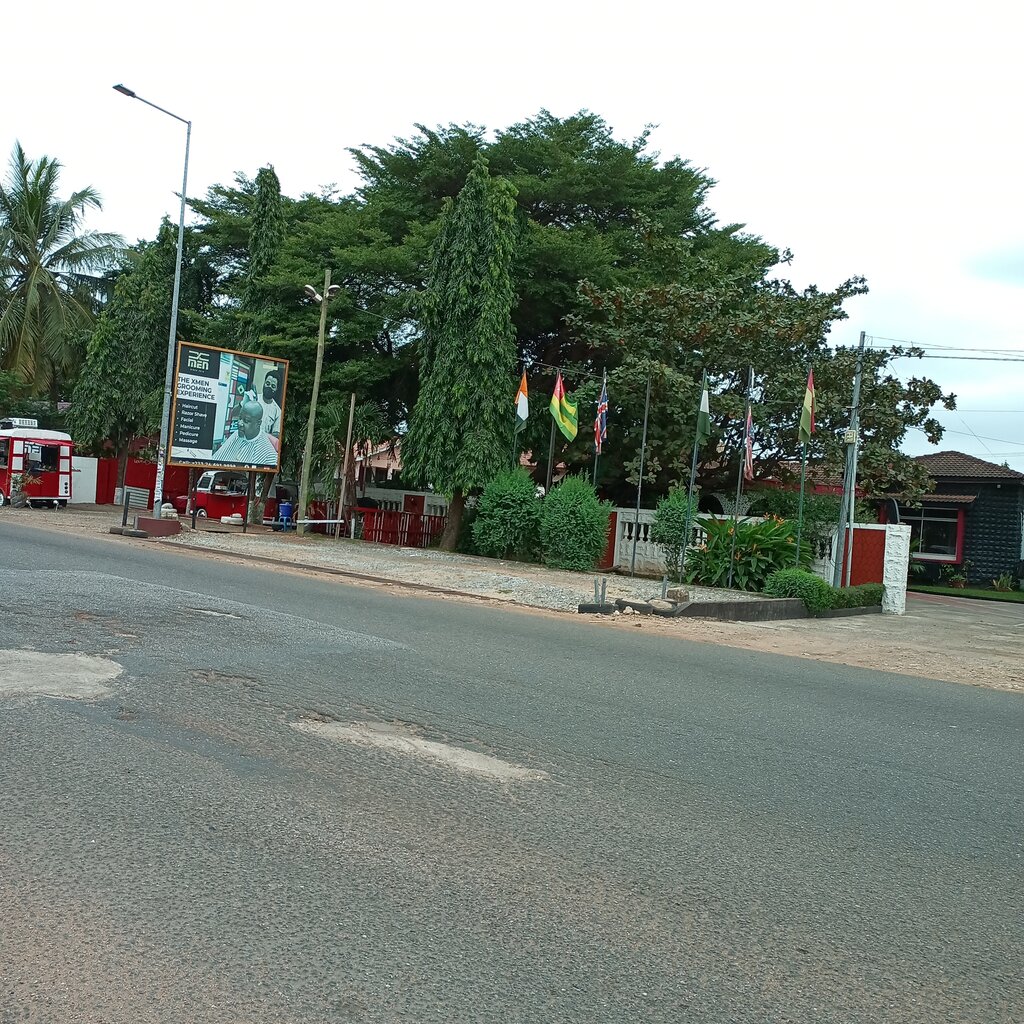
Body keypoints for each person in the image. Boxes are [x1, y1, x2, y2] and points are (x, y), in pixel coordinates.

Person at [212, 398, 278, 466]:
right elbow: (214, 461)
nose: (240, 423)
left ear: (258, 423)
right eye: (240, 418)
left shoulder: (269, 456)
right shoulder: (237, 434)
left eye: (246, 421)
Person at [260, 368, 283, 437]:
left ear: (276, 389)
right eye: (267, 383)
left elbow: (276, 434)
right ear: (264, 383)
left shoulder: (277, 411)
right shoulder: (254, 399)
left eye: (273, 386)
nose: (269, 387)